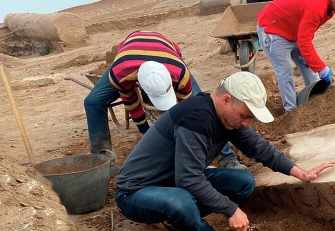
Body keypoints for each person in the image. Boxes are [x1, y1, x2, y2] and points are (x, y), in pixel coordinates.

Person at [115, 72, 335, 231]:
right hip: (136, 193)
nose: (247, 123)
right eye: (245, 115)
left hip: (173, 182)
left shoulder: (227, 117)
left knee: (243, 181)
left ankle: (180, 220)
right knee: (180, 200)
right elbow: (189, 179)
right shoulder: (195, 119)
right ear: (227, 99)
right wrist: (230, 209)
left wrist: (300, 172)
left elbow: (259, 147)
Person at [83, 30, 243, 170]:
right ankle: (103, 160)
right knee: (92, 102)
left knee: (202, 107)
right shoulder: (121, 73)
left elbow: (189, 109)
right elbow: (131, 101)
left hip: (167, 51)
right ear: (138, 82)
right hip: (129, 56)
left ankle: (228, 158)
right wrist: (146, 131)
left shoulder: (180, 73)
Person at [257, 0, 335, 112]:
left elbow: (306, 35)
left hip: (294, 29)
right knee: (285, 71)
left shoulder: (330, 9)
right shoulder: (317, 7)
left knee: (309, 66)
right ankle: (291, 111)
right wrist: (322, 69)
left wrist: (317, 66)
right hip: (272, 27)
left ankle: (315, 101)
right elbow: (304, 42)